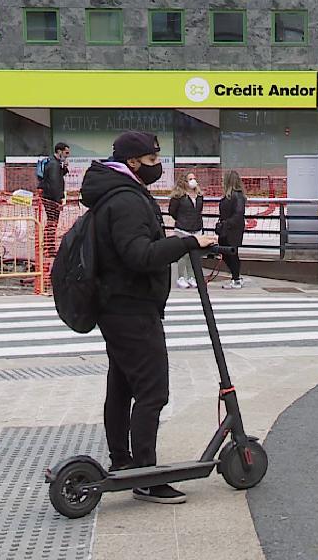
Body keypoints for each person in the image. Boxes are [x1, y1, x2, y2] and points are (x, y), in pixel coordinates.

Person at [79, 131, 218, 505]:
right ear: (134, 162)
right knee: (153, 391)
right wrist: (188, 242)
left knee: (123, 387)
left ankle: (125, 464)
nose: (159, 168)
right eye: (154, 162)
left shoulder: (114, 191)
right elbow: (138, 255)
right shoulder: (125, 200)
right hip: (130, 306)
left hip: (118, 304)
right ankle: (145, 474)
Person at [168, 172, 205, 289]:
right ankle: (181, 277)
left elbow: (199, 210)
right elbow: (172, 211)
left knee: (193, 254)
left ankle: (191, 277)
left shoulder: (199, 195)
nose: (193, 181)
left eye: (194, 178)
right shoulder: (178, 196)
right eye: (190, 179)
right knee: (183, 255)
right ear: (184, 181)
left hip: (197, 228)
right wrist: (181, 220)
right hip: (182, 228)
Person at [216, 171, 247, 289]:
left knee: (232, 253)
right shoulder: (230, 196)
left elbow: (238, 213)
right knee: (226, 253)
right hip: (227, 228)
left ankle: (236, 278)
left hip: (233, 229)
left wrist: (226, 223)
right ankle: (236, 276)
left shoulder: (237, 196)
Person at [39, 142, 70, 257]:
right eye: (66, 153)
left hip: (49, 197)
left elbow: (58, 177)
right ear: (60, 151)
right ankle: (49, 248)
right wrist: (59, 200)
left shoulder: (55, 163)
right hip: (52, 198)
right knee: (52, 222)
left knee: (51, 222)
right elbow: (54, 183)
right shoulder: (54, 164)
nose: (67, 155)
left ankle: (48, 247)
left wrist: (64, 168)